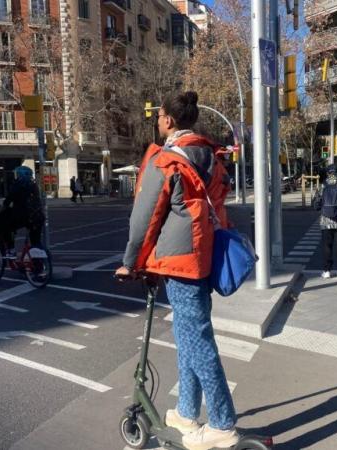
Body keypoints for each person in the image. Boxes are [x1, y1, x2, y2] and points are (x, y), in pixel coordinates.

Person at [115, 91, 238, 450]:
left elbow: (144, 218)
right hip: (201, 260)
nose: (156, 122)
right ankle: (186, 412)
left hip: (180, 263)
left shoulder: (166, 160)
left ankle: (222, 422)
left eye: (159, 117)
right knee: (188, 337)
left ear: (169, 119)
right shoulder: (210, 158)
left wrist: (130, 263)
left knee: (198, 341)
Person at [0, 166, 45, 259]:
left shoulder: (17, 185)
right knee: (36, 240)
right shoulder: (34, 185)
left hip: (23, 215)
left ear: (20, 175)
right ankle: (39, 262)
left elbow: (7, 201)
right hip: (37, 216)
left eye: (17, 174)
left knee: (6, 227)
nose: (16, 176)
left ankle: (11, 250)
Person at [314, 165, 337, 280]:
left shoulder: (322, 186)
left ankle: (326, 271)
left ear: (327, 173)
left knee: (327, 247)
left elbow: (316, 205)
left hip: (326, 221)